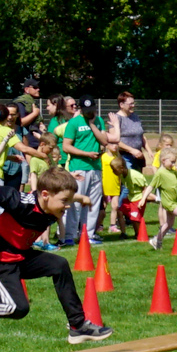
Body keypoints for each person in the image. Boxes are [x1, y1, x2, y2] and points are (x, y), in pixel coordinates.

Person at [0, 166, 113, 345]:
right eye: (65, 200)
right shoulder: (21, 202)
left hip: (21, 257)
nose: (68, 205)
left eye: (70, 200)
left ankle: (78, 326)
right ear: (46, 195)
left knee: (60, 265)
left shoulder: (52, 204)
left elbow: (56, 192)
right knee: (17, 308)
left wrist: (80, 195)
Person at [61, 96, 108, 244]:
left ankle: (87, 235)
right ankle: (70, 235)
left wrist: (93, 125)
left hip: (96, 168)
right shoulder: (73, 123)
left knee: (92, 203)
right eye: (87, 110)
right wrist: (86, 154)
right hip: (79, 168)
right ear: (80, 109)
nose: (90, 112)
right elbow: (66, 146)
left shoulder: (98, 120)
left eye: (92, 109)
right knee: (75, 203)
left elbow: (104, 141)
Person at [108, 91, 146, 171]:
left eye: (133, 103)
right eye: (130, 104)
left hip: (138, 155)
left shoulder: (135, 117)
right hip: (125, 156)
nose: (133, 105)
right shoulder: (116, 119)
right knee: (127, 181)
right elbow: (114, 140)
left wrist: (148, 151)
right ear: (121, 105)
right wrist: (131, 150)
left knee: (138, 181)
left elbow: (141, 135)